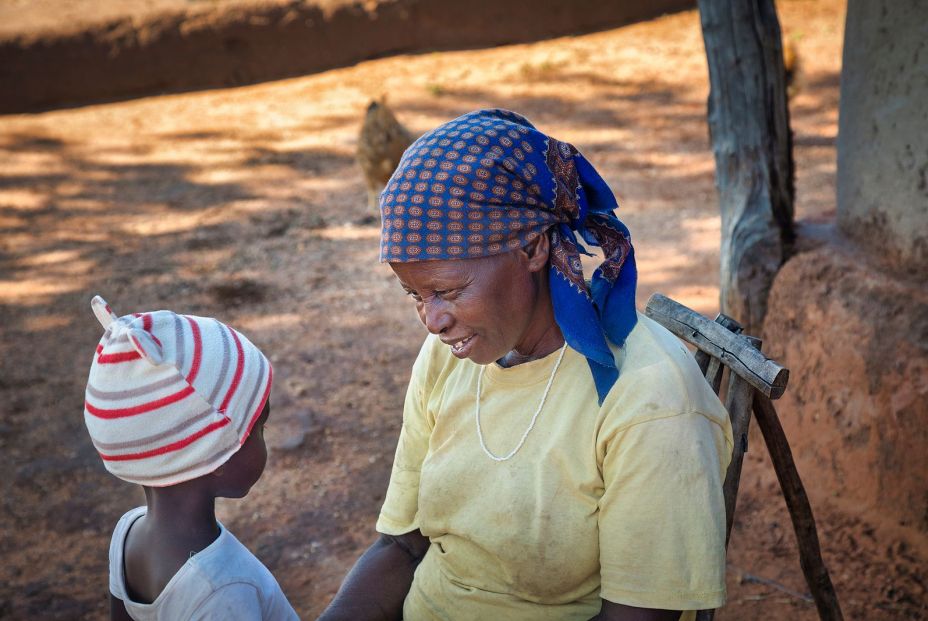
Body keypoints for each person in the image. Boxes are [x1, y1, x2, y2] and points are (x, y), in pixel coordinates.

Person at [320, 109, 734, 621]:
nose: (431, 321)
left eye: (447, 291)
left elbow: (638, 614)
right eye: (415, 295)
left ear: (533, 247)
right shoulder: (450, 356)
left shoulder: (650, 399)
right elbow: (403, 547)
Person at [82, 295, 299, 621]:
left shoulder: (127, 533)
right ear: (219, 454)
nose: (264, 437)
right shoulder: (223, 590)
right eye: (260, 428)